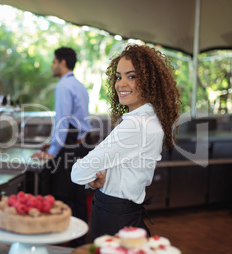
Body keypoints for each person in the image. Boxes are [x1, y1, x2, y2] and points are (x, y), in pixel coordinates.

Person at [71, 44, 181, 241]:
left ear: (149, 81)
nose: (121, 84)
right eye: (119, 76)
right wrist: (99, 175)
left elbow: (77, 173)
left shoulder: (135, 126)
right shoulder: (150, 120)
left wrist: (93, 167)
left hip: (113, 220)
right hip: (124, 215)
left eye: (131, 76)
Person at [31, 47, 92, 245]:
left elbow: (64, 121)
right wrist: (53, 143)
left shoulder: (63, 86)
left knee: (65, 197)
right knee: (77, 195)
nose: (52, 65)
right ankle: (80, 242)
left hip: (69, 148)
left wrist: (52, 152)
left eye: (54, 61)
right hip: (81, 144)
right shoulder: (79, 85)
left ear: (62, 62)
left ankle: (68, 244)